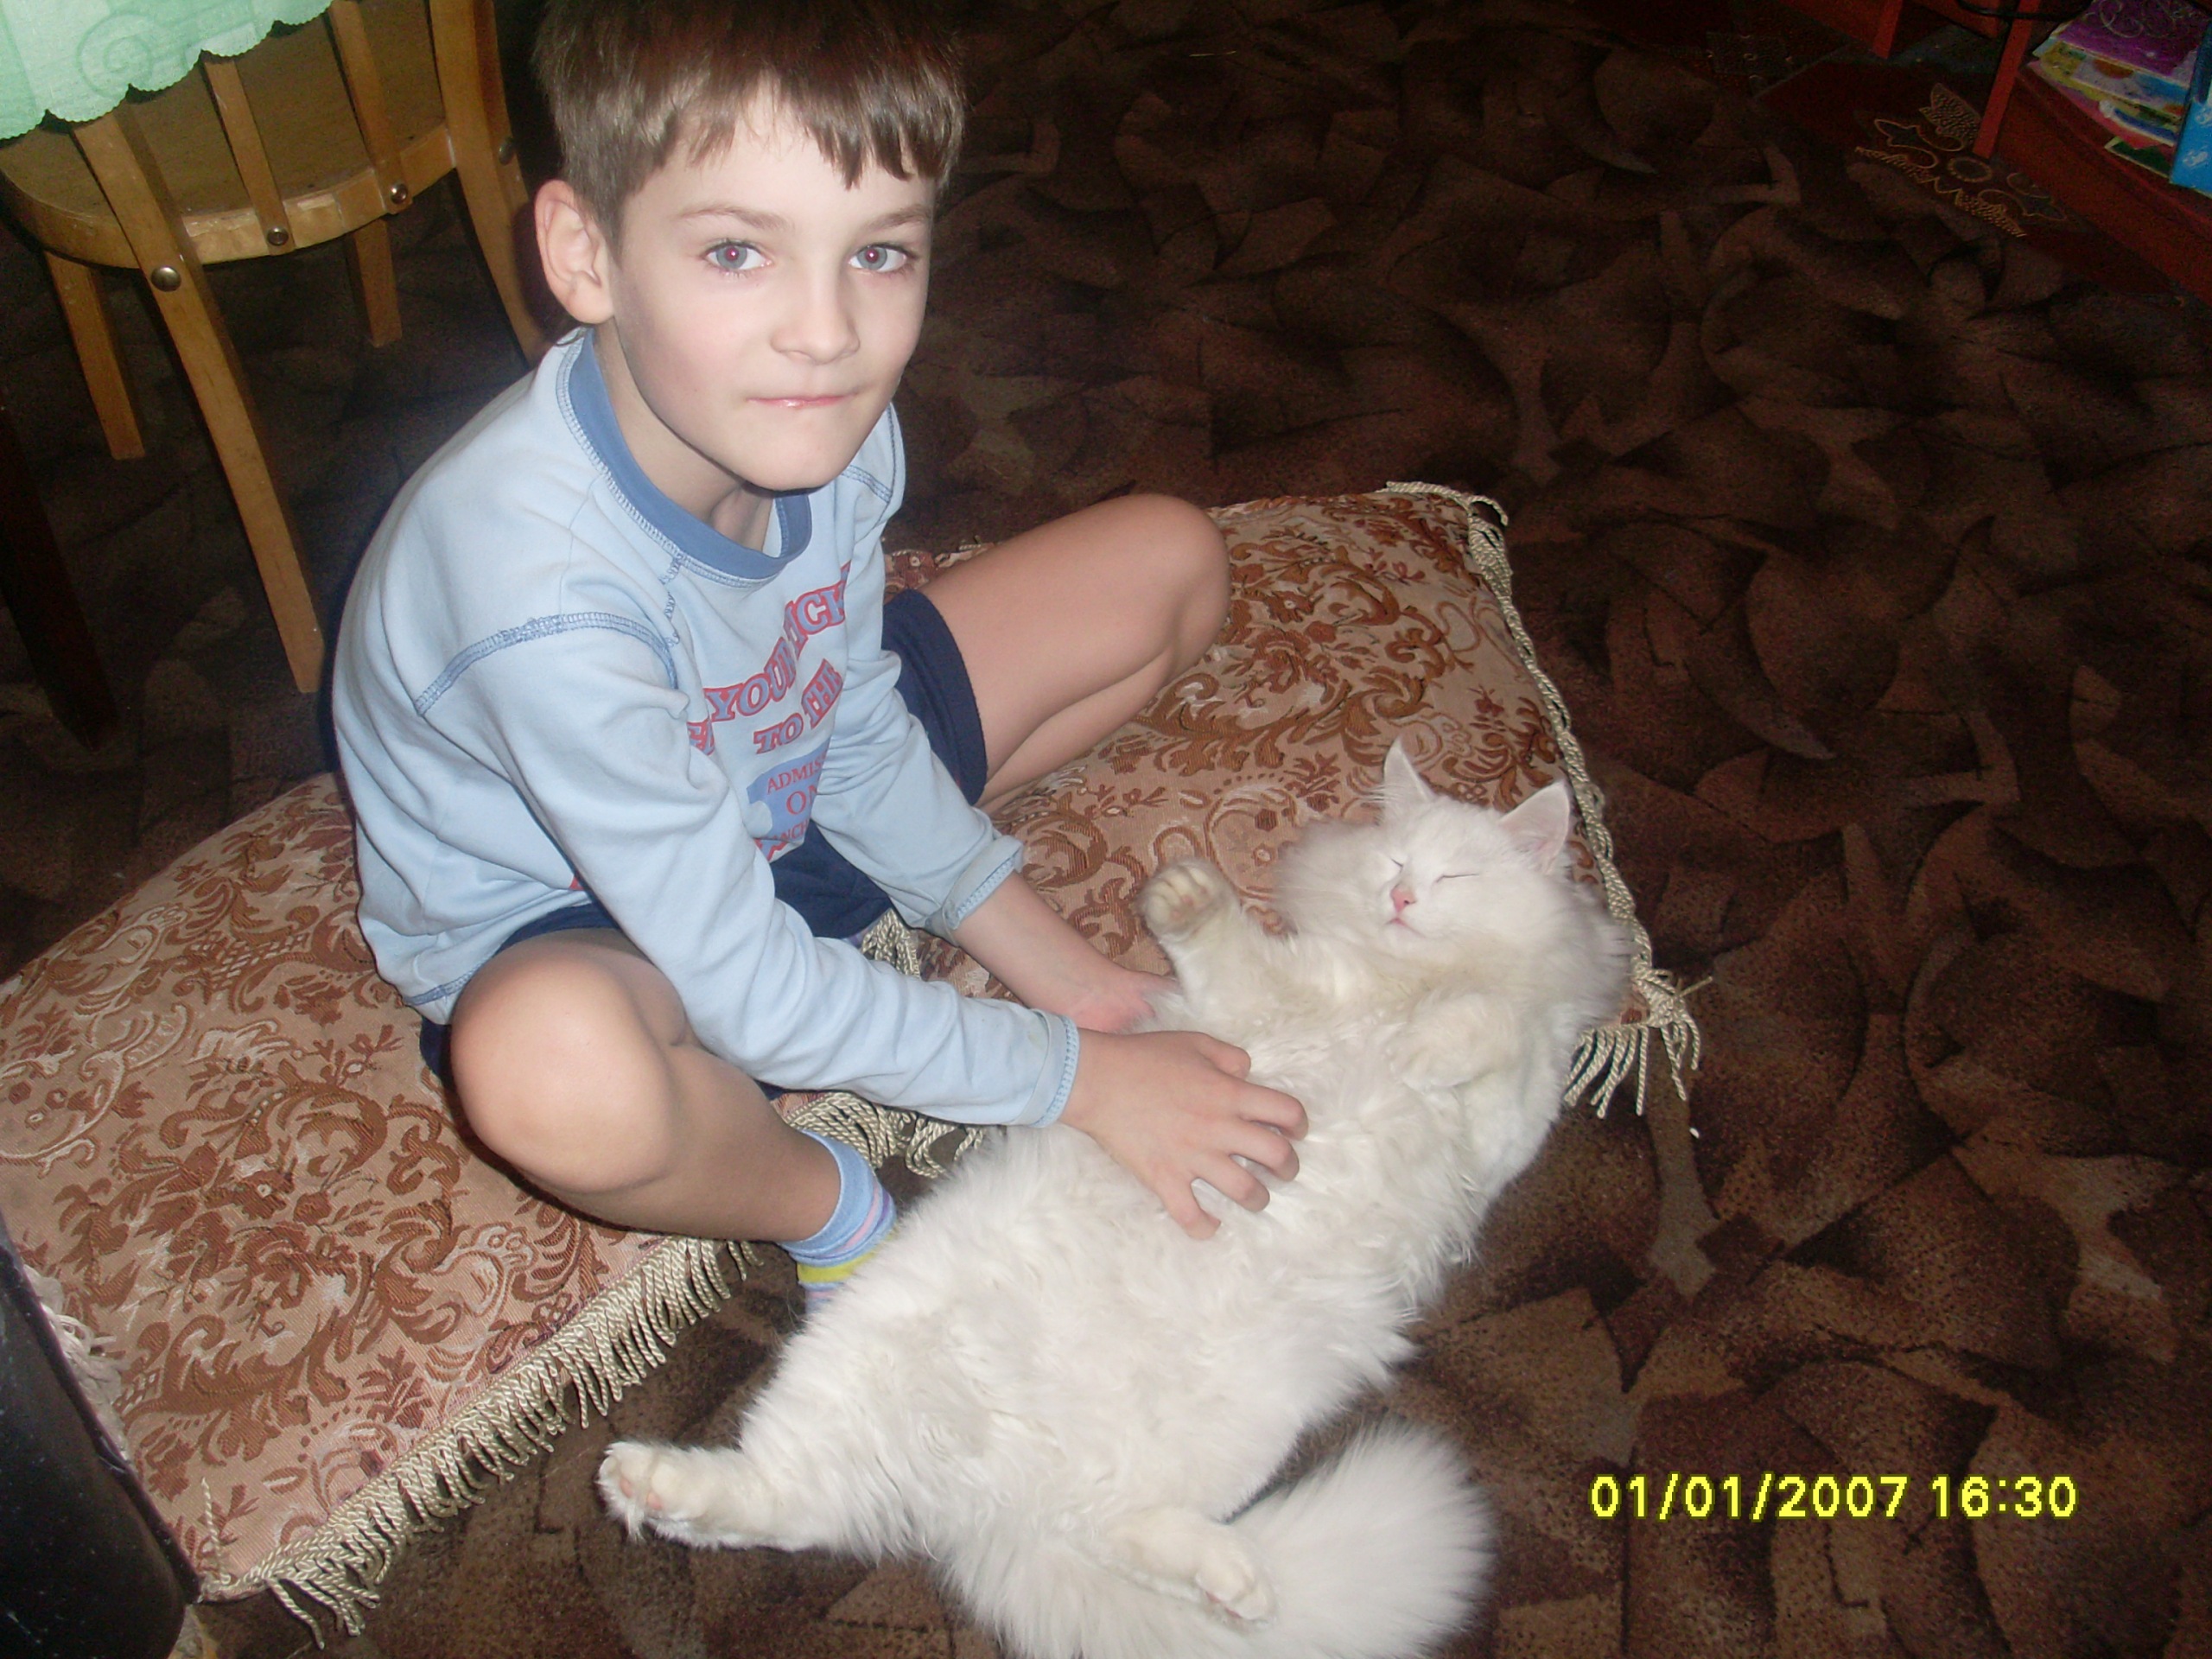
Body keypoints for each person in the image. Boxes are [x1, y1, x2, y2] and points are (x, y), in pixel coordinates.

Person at [332, 0, 1304, 1303]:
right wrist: (1076, 1082)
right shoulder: (536, 596)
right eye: (737, 252)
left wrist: (1064, 975)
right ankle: (823, 1204)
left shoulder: (815, 412)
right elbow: (738, 983)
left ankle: (844, 942)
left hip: (779, 787)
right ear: (584, 253)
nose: (828, 332)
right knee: (552, 1074)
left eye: (880, 253)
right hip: (585, 918)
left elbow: (845, 711)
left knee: (1172, 561)